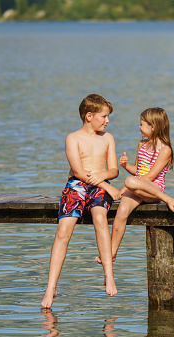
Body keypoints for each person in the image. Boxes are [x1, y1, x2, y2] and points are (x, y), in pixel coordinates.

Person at [41, 94, 121, 309]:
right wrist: (107, 186)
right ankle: (51, 287)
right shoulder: (72, 138)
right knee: (63, 230)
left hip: (98, 185)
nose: (107, 121)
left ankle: (108, 275)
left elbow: (114, 169)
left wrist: (103, 178)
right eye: (104, 116)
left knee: (100, 217)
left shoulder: (108, 138)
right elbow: (78, 171)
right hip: (77, 184)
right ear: (89, 116)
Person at [96, 107, 174, 265]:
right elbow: (138, 170)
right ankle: (112, 254)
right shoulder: (142, 144)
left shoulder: (165, 149)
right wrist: (126, 166)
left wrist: (125, 188)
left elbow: (150, 177)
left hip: (153, 190)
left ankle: (166, 198)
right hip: (137, 187)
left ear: (153, 127)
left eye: (142, 124)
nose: (139, 127)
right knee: (121, 211)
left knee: (129, 181)